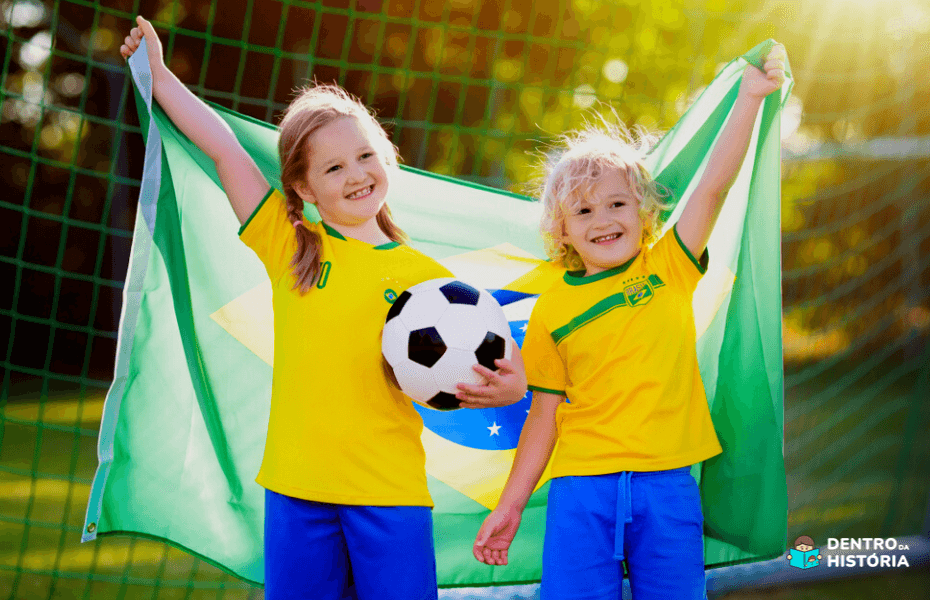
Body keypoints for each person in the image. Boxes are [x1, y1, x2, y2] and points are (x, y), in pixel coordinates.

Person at [120, 16, 527, 600]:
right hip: (296, 492)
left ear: (385, 156)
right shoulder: (293, 251)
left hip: (389, 496)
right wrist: (159, 77)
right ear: (305, 189)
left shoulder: (437, 286)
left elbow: (509, 375)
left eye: (365, 156)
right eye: (334, 168)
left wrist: (508, 390)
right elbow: (224, 149)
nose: (357, 175)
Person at [471, 44, 788, 599]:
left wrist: (749, 100)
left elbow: (713, 185)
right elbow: (543, 414)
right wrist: (511, 503)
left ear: (643, 215)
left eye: (617, 204)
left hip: (667, 485)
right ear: (560, 230)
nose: (603, 220)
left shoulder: (668, 265)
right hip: (579, 491)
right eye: (584, 211)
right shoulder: (552, 308)